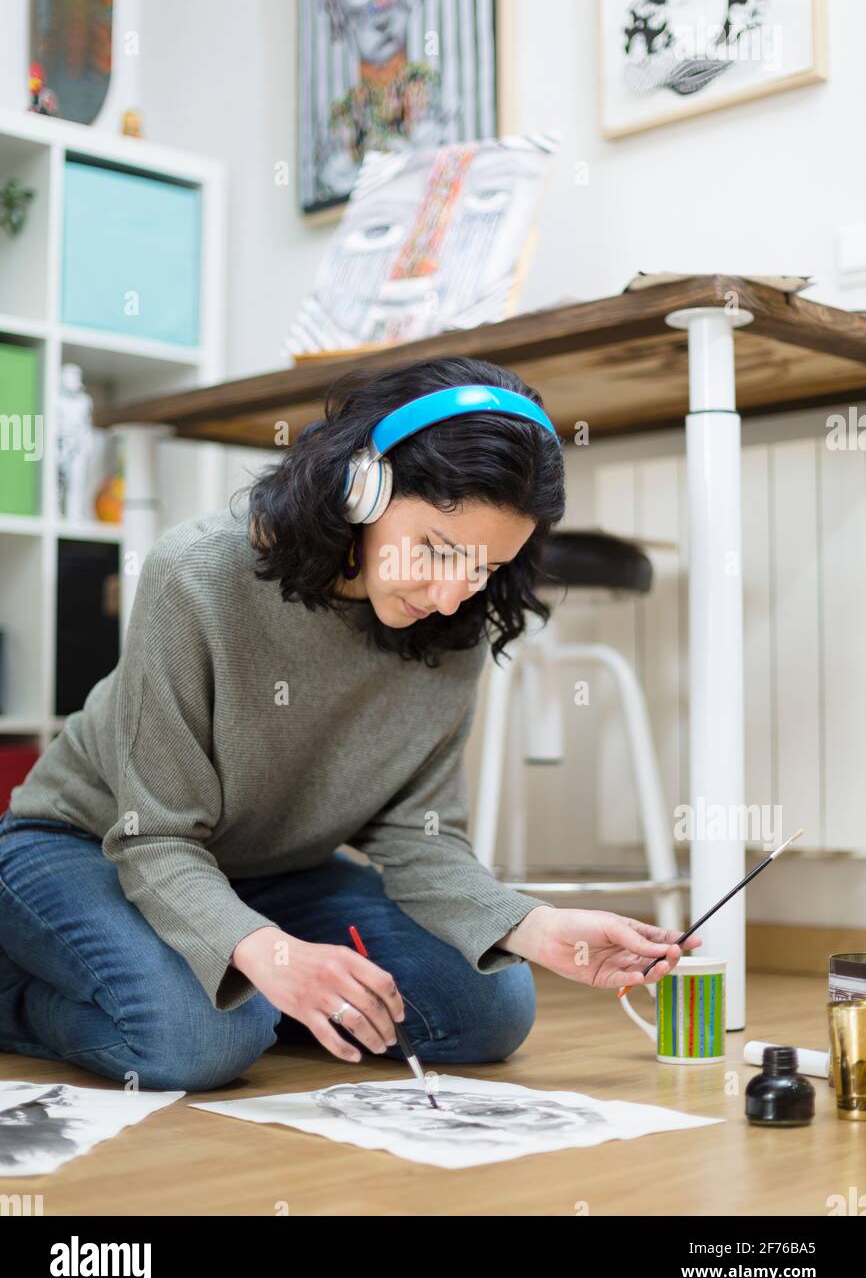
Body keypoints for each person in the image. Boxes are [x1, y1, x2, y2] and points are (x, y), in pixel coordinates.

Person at [0, 356, 697, 1092]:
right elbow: (155, 834)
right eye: (436, 548)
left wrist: (538, 926)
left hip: (270, 873)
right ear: (361, 486)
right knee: (201, 1037)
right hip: (93, 848)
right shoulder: (195, 575)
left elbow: (417, 837)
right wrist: (268, 956)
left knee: (489, 1006)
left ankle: (237, 984)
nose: (453, 595)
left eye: (485, 567)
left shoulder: (453, 621)